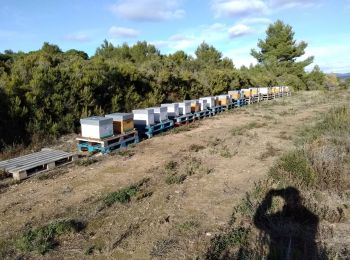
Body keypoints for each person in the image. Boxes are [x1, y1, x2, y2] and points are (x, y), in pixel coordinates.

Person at [254, 187, 319, 260]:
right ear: (301, 200)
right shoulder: (311, 219)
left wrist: (268, 200)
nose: (295, 202)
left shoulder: (277, 220)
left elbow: (258, 221)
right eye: (295, 200)